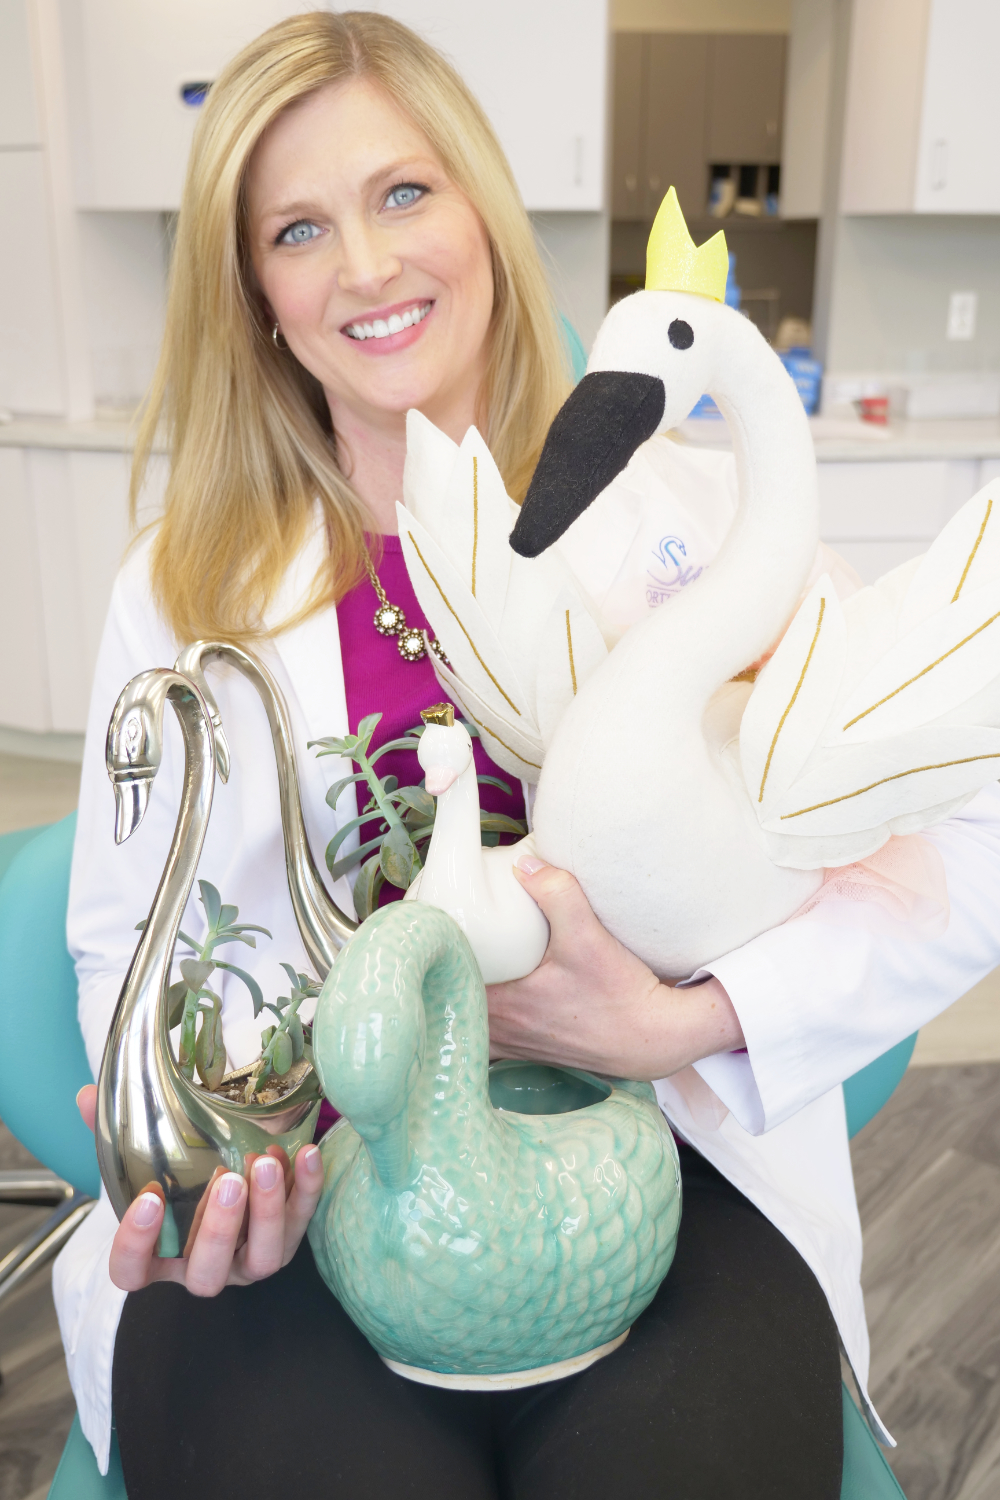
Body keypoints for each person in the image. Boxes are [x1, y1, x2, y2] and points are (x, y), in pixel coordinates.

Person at [55, 12, 1000, 1499]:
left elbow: (960, 850)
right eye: (299, 228)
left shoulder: (704, 536)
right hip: (318, 1187)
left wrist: (680, 1031)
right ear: (255, 294)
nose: (366, 266)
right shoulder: (179, 590)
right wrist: (204, 1141)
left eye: (403, 193)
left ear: (484, 210)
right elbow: (129, 939)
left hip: (668, 1176)